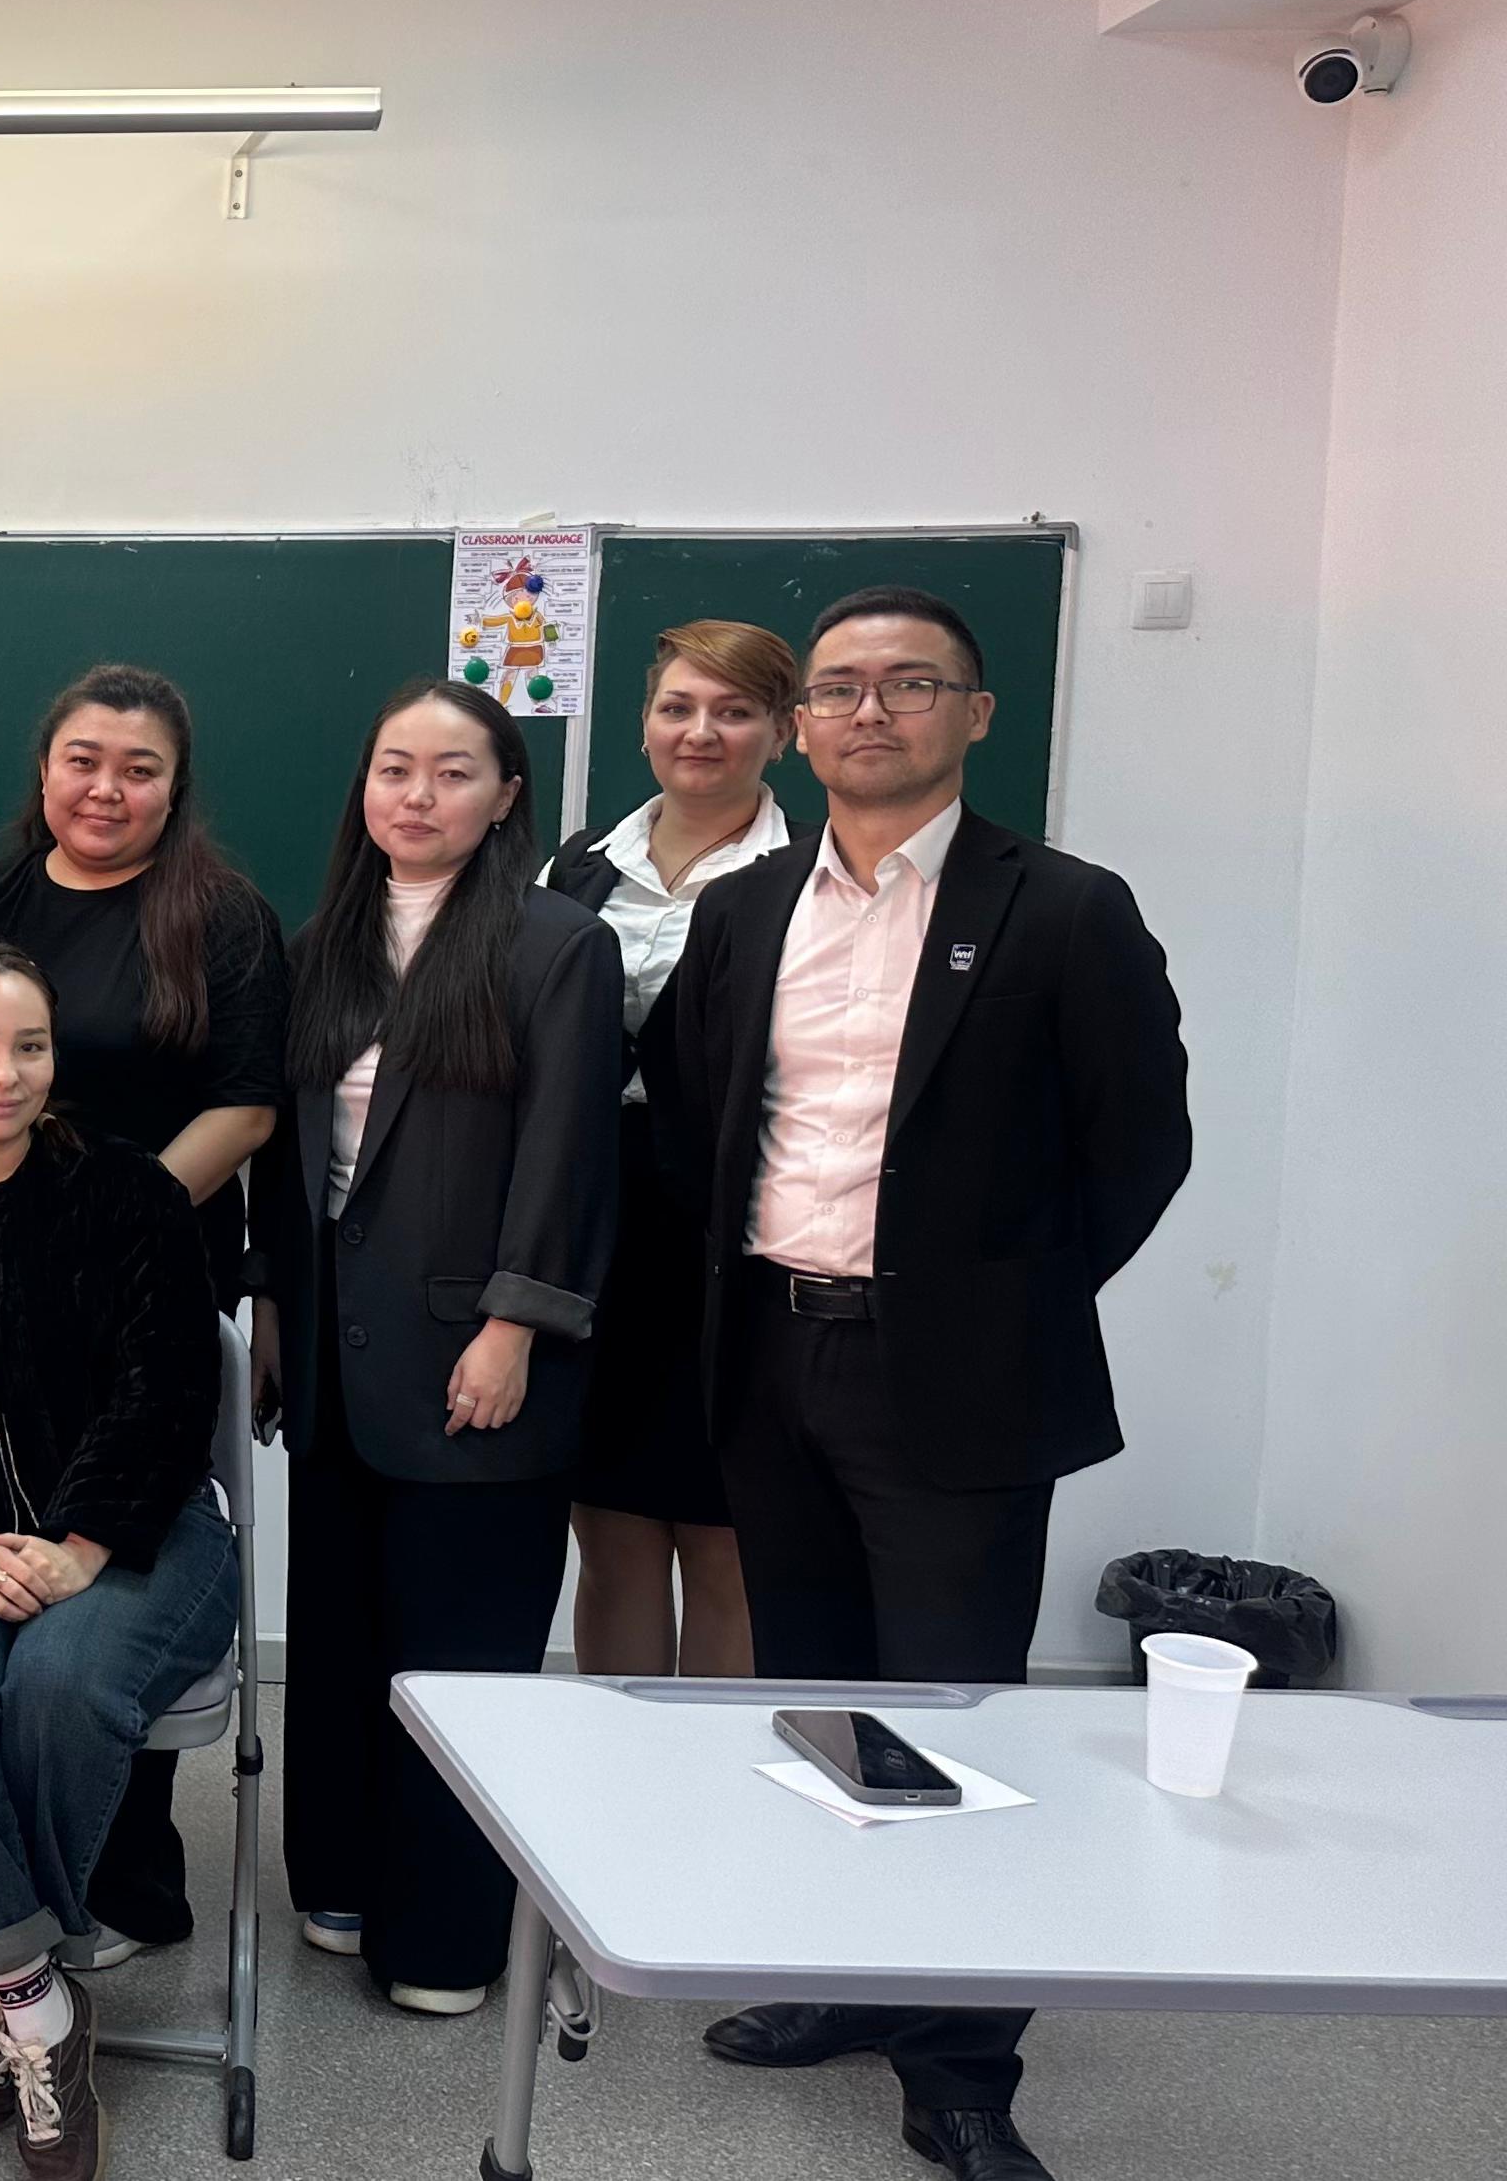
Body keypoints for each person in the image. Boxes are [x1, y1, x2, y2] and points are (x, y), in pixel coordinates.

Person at [646, 588, 1188, 2181]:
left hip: (953, 1378)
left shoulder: (1065, 909)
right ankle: (846, 1977)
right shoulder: (747, 909)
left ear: (975, 713)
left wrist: (995, 1305)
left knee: (958, 1718)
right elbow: (693, 1110)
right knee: (821, 1698)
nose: (868, 711)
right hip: (771, 1355)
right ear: (801, 725)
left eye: (908, 684)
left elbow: (1140, 1147)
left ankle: (960, 2063)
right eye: (839, 688)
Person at [268, 678, 620, 2016]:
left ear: (507, 794)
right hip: (337, 1357)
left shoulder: (554, 944)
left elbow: (569, 1152)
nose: (418, 796)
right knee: (341, 1639)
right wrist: (278, 1312)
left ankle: (447, 1937)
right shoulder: (325, 943)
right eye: (394, 768)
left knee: (461, 1652)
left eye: (453, 772)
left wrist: (514, 1324)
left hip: (477, 1353)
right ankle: (341, 1881)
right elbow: (300, 1161)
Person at [0, 943, 235, 2181]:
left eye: (29, 1047)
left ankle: (8, 2000)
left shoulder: (128, 1192)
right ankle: (37, 1998)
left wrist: (80, 1545)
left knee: (61, 1681)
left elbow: (169, 1394)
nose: (4, 1073)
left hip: (142, 1535)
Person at [0, 663, 288, 1952]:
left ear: (174, 789)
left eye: (140, 770)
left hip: (148, 1279)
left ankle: (122, 1864)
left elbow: (245, 1107)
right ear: (45, 770)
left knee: (112, 1561)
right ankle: (27, 1900)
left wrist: (100, 1224)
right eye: (83, 760)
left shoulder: (223, 917)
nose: (107, 789)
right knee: (2, 1547)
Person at [539, 622, 799, 1679]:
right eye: (678, 707)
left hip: (736, 1245)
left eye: (734, 712)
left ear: (783, 732)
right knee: (609, 1533)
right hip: (598, 1234)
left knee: (730, 1545)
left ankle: (714, 1773)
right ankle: (621, 1767)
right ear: (644, 724)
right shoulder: (575, 869)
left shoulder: (811, 876)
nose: (701, 732)